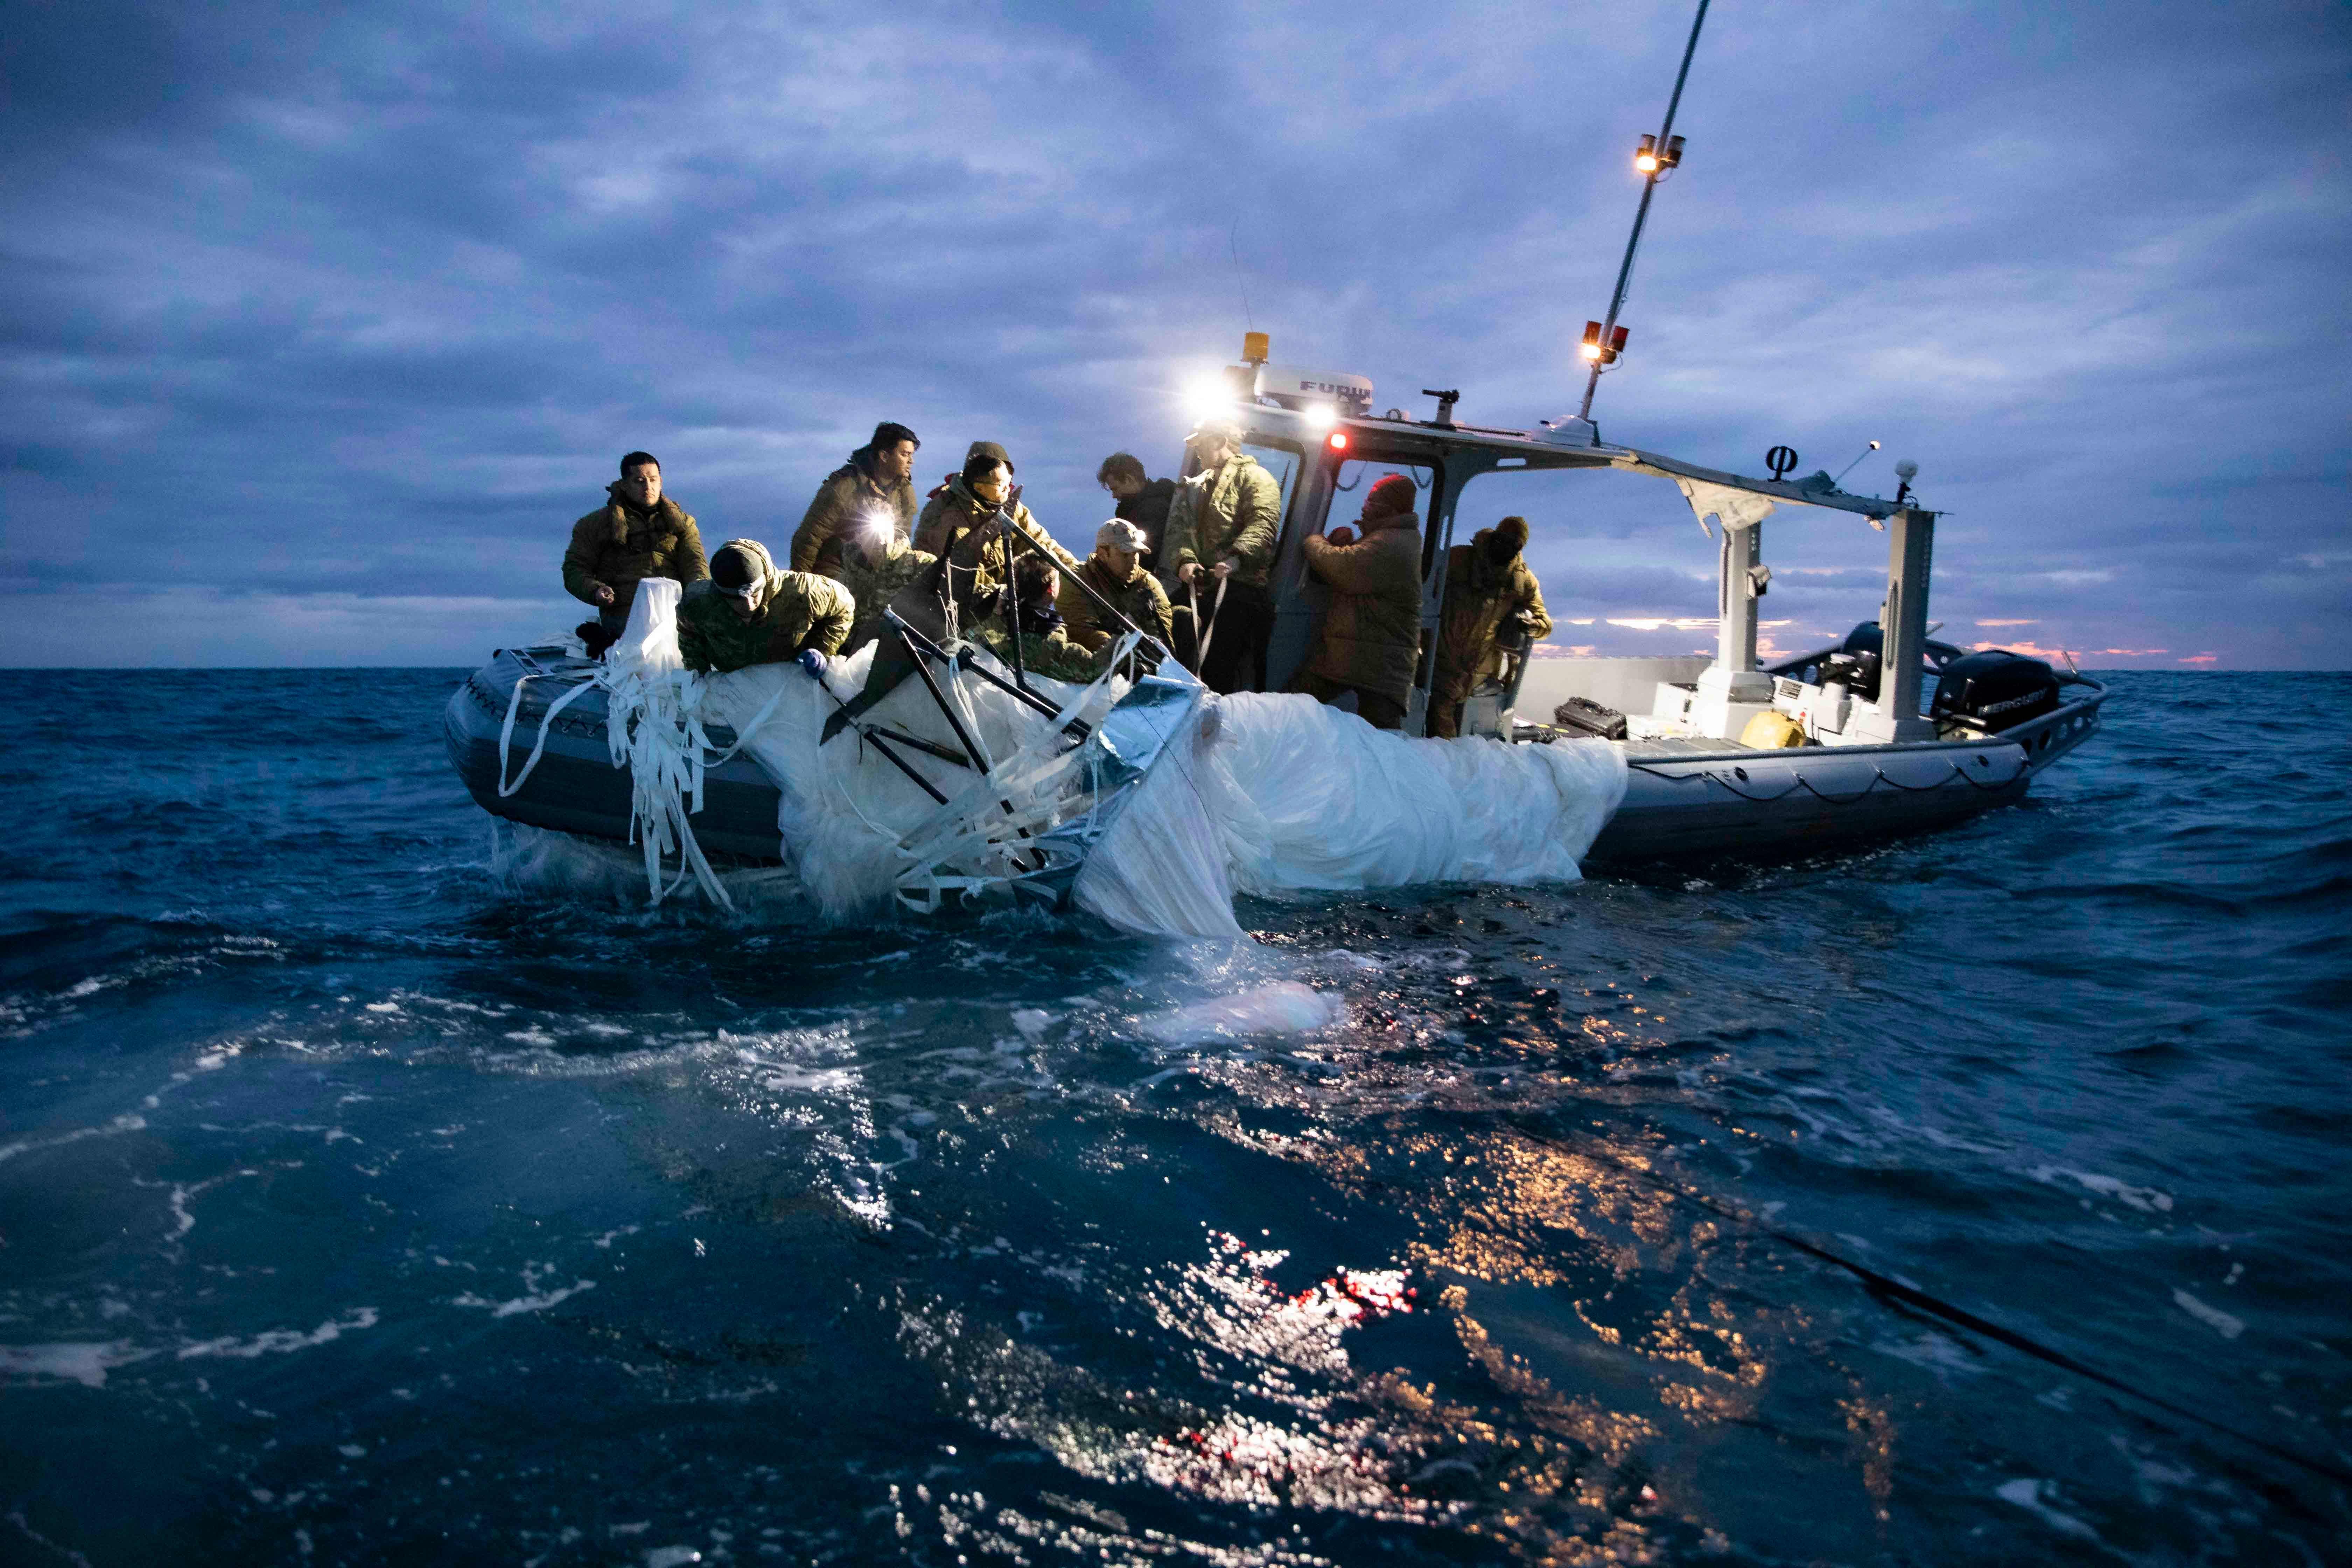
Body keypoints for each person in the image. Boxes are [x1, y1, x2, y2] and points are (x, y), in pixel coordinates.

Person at [1291, 474, 1424, 730]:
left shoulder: (1394, 542)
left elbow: (1344, 569)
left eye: (1374, 500)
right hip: (1363, 658)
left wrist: (1314, 541)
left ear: (1391, 506)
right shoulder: (1387, 538)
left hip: (1378, 664)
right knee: (1297, 704)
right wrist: (1346, 544)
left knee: (1381, 742)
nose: (1366, 505)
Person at [1162, 419, 1280, 693]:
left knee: (1219, 664)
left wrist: (1236, 558)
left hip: (1238, 589)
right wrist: (1184, 560)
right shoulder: (1194, 485)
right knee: (1168, 636)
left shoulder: (1258, 478)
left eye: (1201, 444)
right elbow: (1179, 529)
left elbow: (1263, 523)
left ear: (1219, 442)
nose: (1198, 452)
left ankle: (1212, 721)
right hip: (1197, 586)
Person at [565, 451, 709, 657]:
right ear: (624, 485)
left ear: (661, 482)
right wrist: (595, 590)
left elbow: (695, 564)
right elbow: (574, 569)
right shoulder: (594, 526)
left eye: (653, 480)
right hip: (625, 617)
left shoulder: (683, 524)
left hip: (675, 616)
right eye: (639, 481)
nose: (648, 487)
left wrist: (699, 593)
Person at [913, 442, 1079, 617]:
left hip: (999, 601)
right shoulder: (948, 516)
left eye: (1009, 481)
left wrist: (1075, 570)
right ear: (980, 485)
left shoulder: (1010, 506)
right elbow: (959, 575)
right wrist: (1006, 594)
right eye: (1001, 483)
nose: (1009, 488)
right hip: (952, 609)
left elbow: (1040, 542)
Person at [1429, 516, 1553, 740]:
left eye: (1513, 544)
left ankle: (1449, 762)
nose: (1504, 546)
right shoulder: (1459, 559)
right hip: (1438, 657)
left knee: (1445, 715)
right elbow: (1425, 587)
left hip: (1478, 669)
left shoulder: (1523, 581)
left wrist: (1532, 626)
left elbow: (1545, 623)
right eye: (1501, 539)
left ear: (1520, 548)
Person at [677, 538, 854, 676]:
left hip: (792, 679)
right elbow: (688, 633)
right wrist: (699, 673)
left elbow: (844, 607)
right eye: (737, 600)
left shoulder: (802, 592)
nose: (748, 605)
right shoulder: (698, 603)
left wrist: (821, 650)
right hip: (734, 682)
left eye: (754, 594)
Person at [789, 421, 920, 579]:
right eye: (904, 455)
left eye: (911, 455)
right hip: (835, 574)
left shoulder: (905, 493)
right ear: (884, 456)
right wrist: (802, 585)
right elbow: (810, 538)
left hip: (877, 578)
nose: (911, 461)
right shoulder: (844, 487)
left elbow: (902, 542)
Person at [975, 553, 1110, 685]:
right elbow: (1095, 669)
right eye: (1058, 579)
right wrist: (1124, 642)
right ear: (1051, 589)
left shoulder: (994, 603)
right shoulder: (1048, 644)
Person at [1062, 519, 1173, 665]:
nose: (1134, 561)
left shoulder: (1148, 584)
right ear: (1102, 554)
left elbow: (1160, 636)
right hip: (1096, 668)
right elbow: (1084, 631)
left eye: (1136, 553)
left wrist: (1152, 660)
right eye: (1125, 554)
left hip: (1140, 664)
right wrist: (1126, 658)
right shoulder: (1077, 579)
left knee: (1184, 615)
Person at [1096, 451, 1178, 563]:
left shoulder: (1155, 509)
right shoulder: (1133, 509)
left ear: (1130, 480)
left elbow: (1146, 558)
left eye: (1115, 489)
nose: (1114, 496)